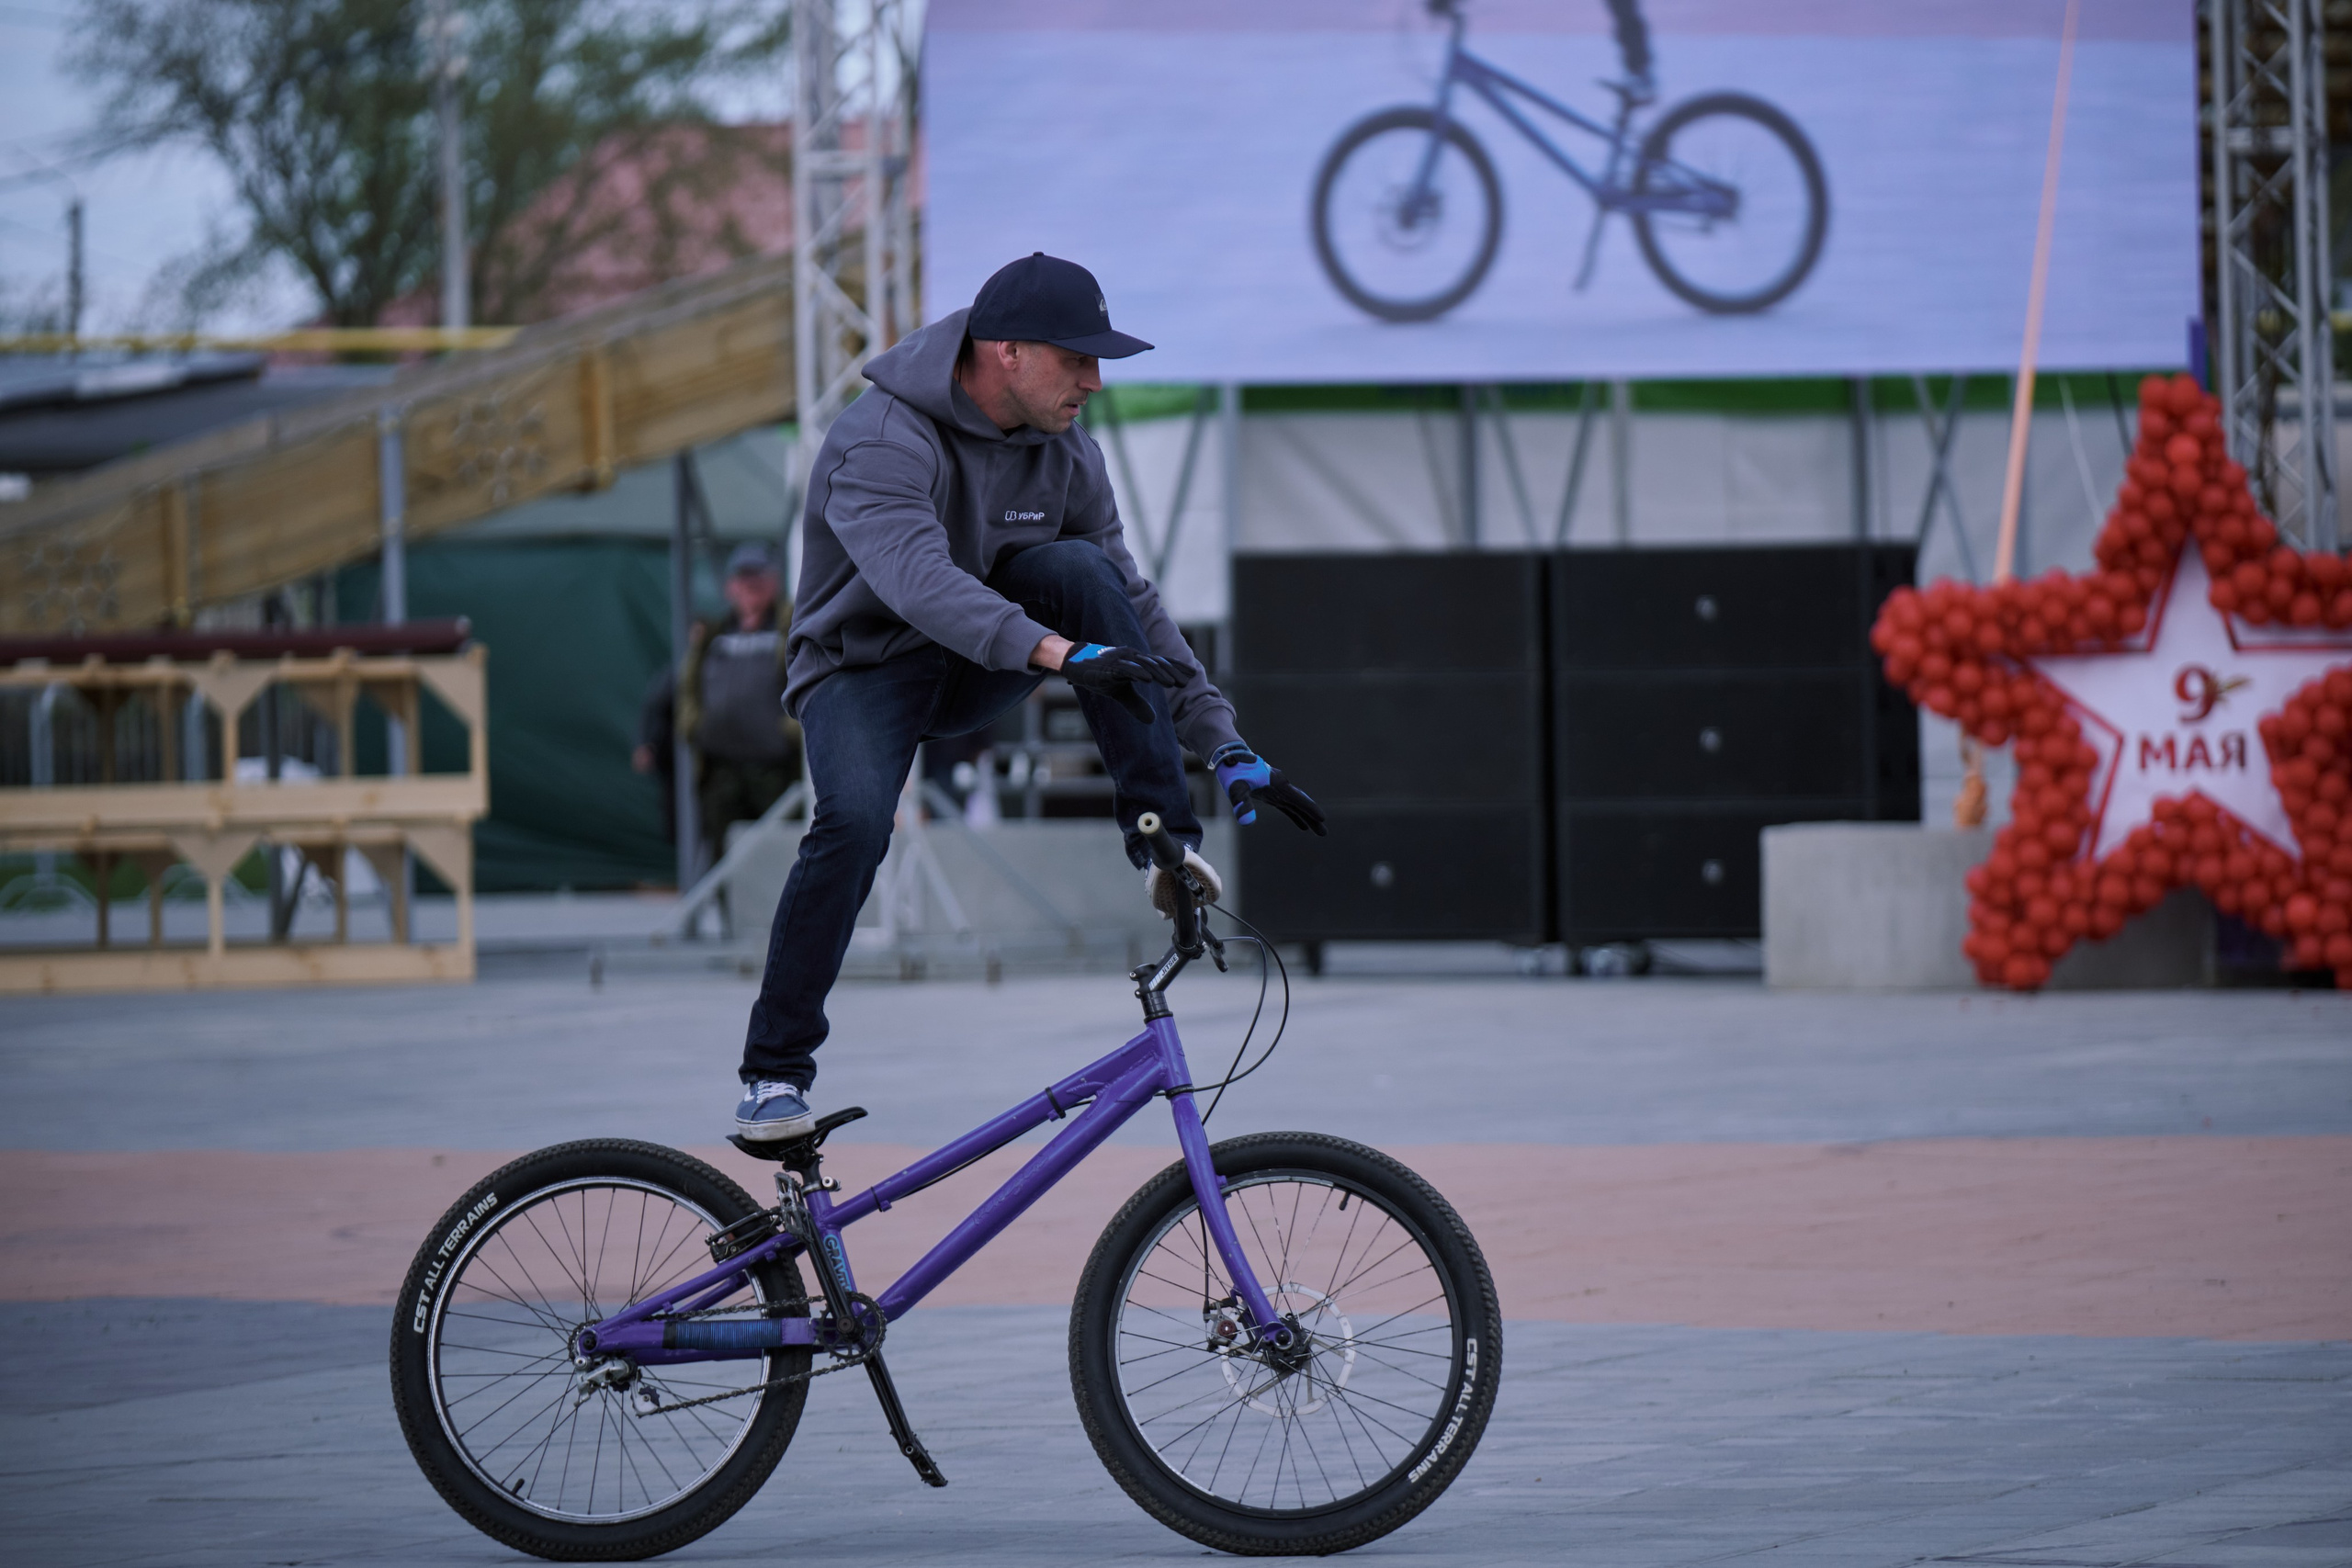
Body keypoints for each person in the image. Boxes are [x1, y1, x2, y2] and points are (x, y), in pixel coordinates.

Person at [733, 252, 1325, 1141]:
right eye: (1076, 360)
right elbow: (918, 580)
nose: (1094, 381)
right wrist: (1055, 653)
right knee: (855, 821)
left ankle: (1163, 841)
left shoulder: (1066, 451)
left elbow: (1131, 603)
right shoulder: (881, 437)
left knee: (1084, 569)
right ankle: (773, 1073)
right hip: (864, 670)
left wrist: (1224, 739)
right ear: (1006, 352)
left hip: (986, 662)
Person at [634, 543, 802, 874]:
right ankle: (731, 924)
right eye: (743, 577)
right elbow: (674, 689)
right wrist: (692, 726)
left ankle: (780, 923)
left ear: (774, 582)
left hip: (777, 771)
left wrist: (788, 732)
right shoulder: (713, 637)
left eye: (759, 577)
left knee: (781, 856)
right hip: (722, 772)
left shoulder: (790, 631)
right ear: (730, 587)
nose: (750, 585)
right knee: (725, 859)